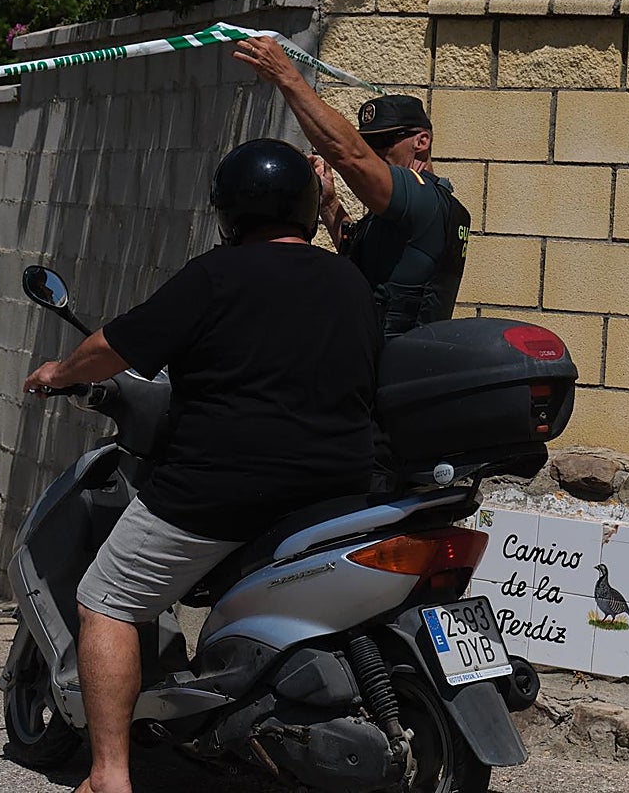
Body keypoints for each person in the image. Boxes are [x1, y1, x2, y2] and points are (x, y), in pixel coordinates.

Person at [22, 138, 380, 793]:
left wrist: (58, 372)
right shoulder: (349, 281)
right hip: (337, 489)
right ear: (307, 207)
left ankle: (108, 775)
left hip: (221, 491)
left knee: (106, 598)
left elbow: (113, 346)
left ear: (230, 213)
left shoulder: (216, 275)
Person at [233, 36, 472, 340]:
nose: (374, 153)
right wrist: (329, 203)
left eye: (384, 142)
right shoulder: (408, 209)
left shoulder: (425, 197)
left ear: (421, 141)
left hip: (393, 369)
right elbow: (362, 252)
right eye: (368, 143)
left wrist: (287, 75)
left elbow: (350, 156)